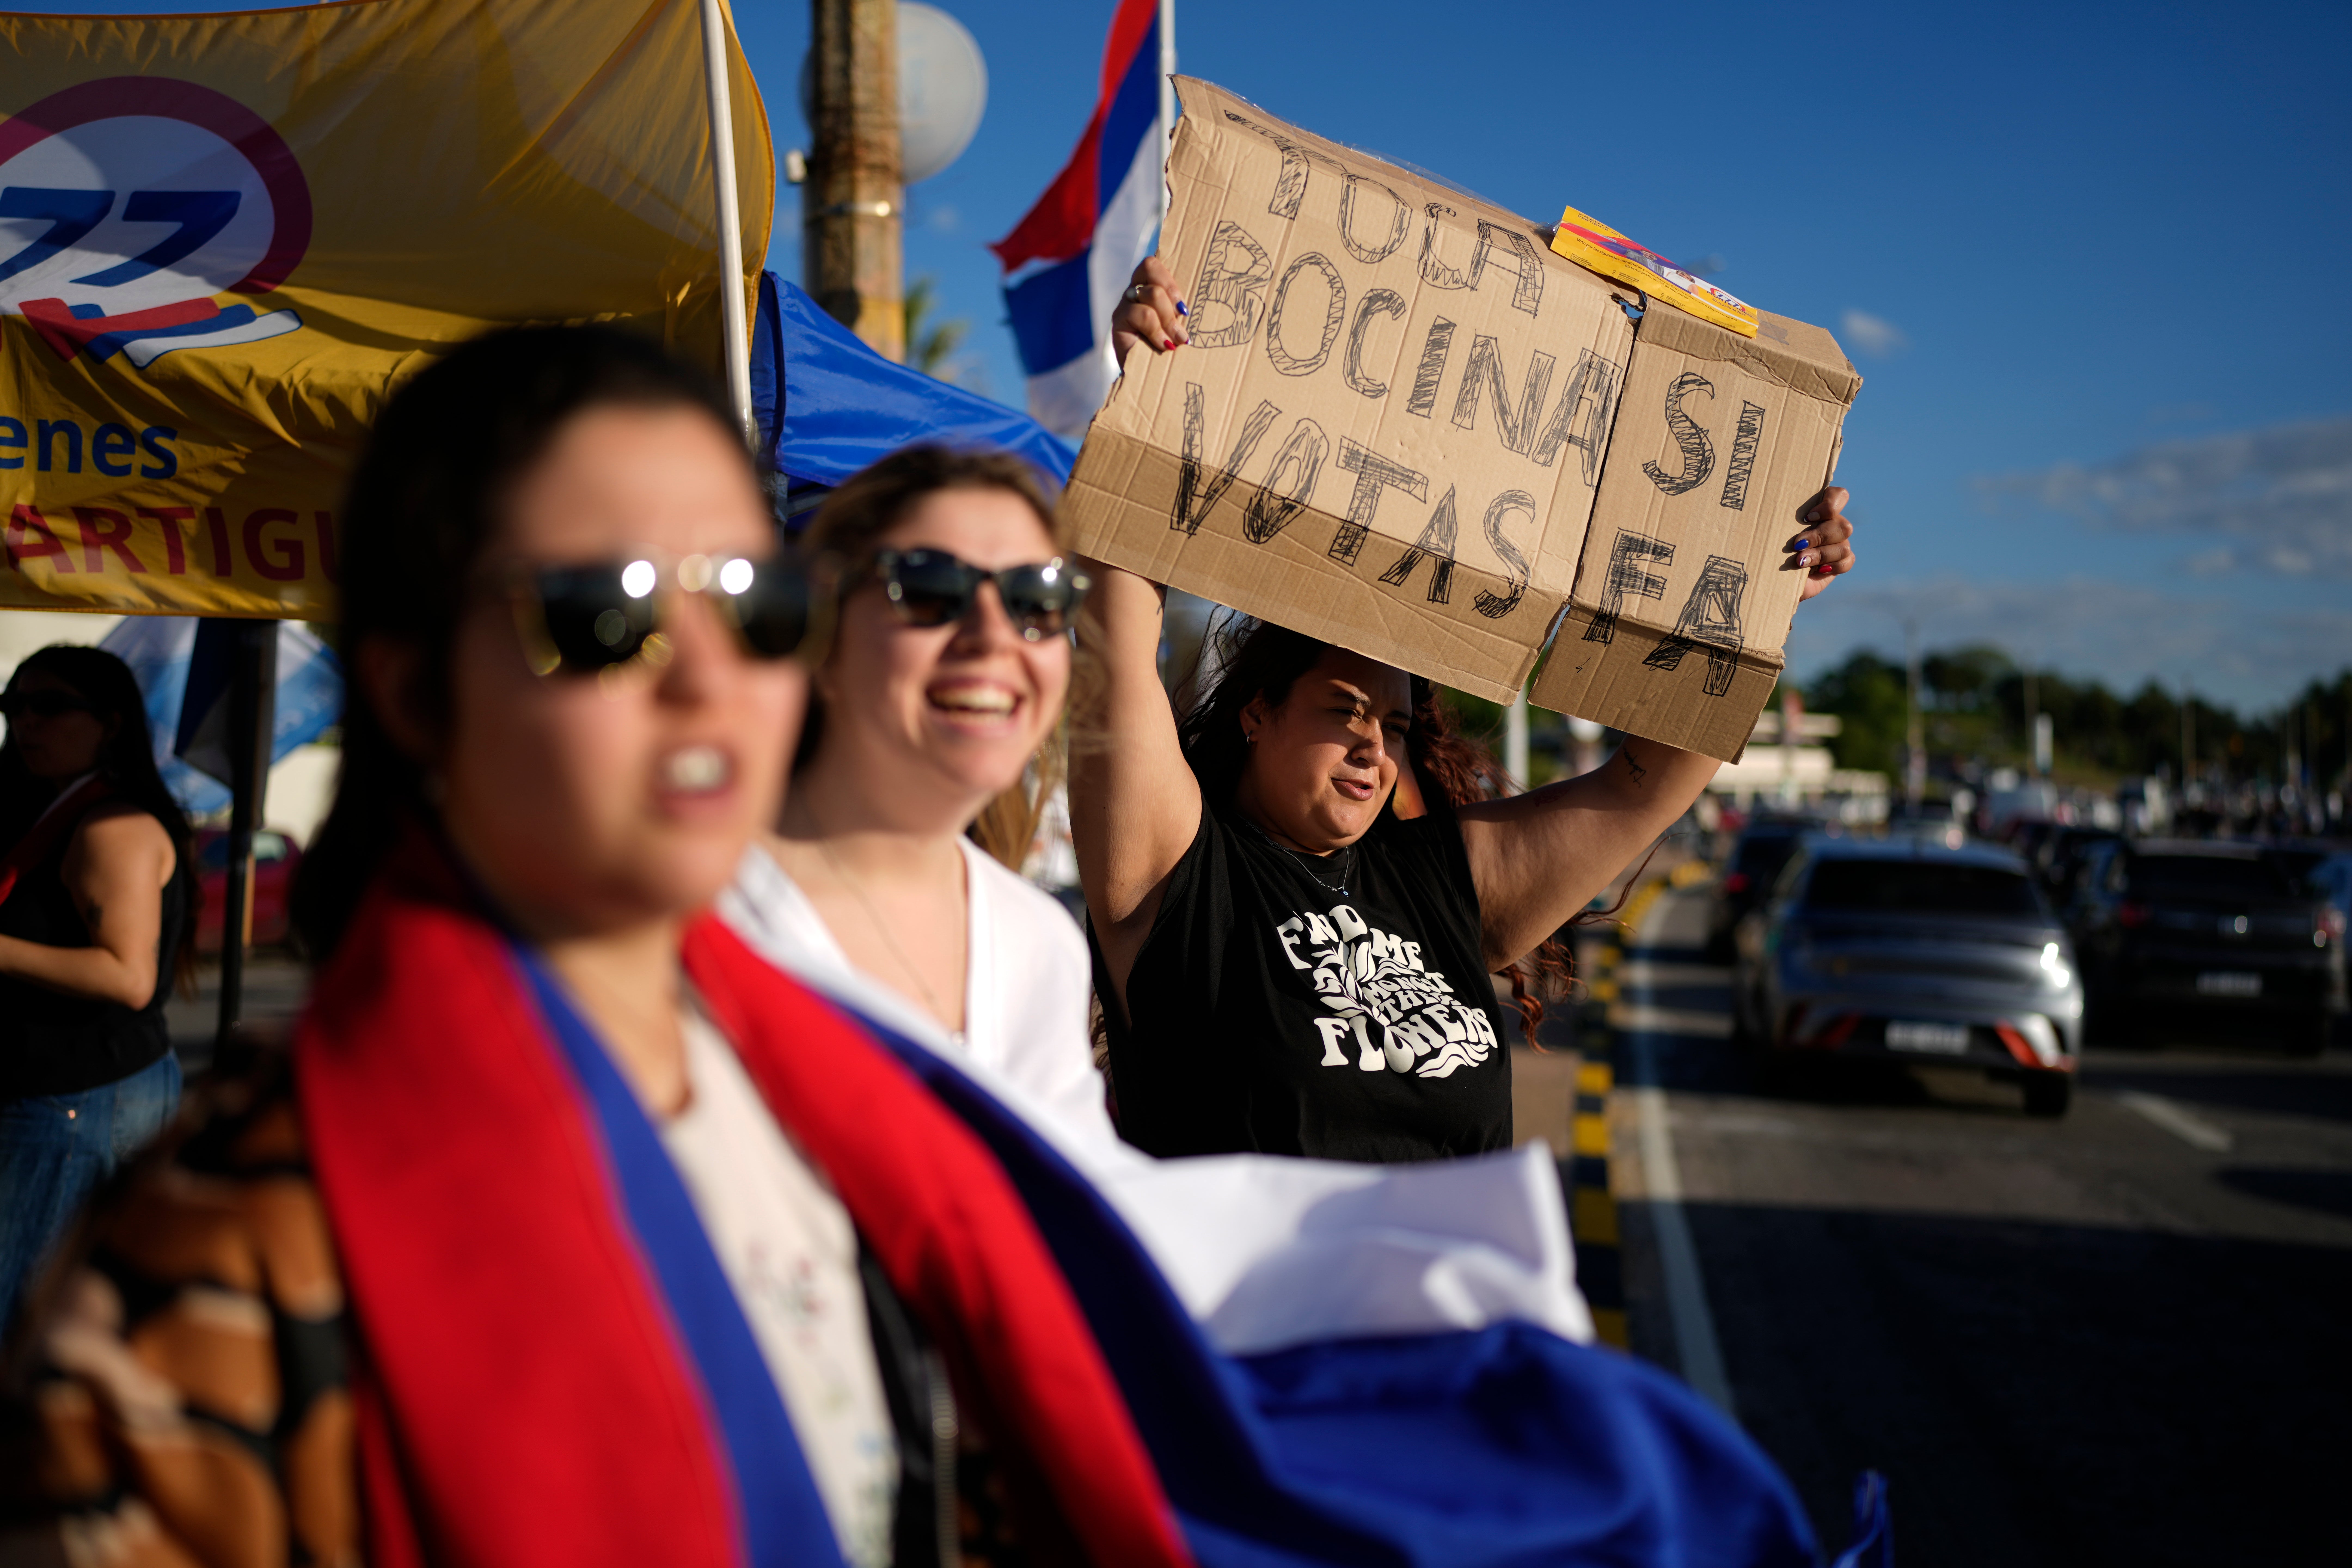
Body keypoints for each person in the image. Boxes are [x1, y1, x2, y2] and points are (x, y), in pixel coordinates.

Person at [0, 327, 1188, 1568]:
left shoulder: (842, 1107)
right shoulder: (211, 1267)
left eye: (754, 600)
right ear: (413, 692)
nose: (706, 673)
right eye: (601, 612)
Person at [1074, 257, 1858, 1161]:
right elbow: (1117, 631)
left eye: (1397, 727)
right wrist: (1150, 389)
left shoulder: (1432, 883)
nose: (1375, 749)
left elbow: (1648, 781)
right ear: (1258, 713)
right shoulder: (1177, 876)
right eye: (1344, 710)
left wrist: (1768, 579)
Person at [732, 446, 1113, 1142]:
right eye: (932, 588)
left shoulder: (1042, 946)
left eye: (1038, 598)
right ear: (822, 632)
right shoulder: (698, 913)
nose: (995, 636)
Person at [0, 644, 190, 1329]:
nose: (27, 723)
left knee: (25, 1317)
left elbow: (129, 976)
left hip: (78, 1100)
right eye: (14, 706)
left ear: (110, 723)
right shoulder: (56, 811)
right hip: (63, 1094)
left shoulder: (114, 825)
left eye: (49, 706)